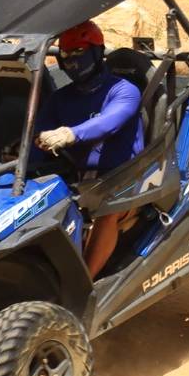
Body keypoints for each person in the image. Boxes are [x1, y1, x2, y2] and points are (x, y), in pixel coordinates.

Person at [34, 21, 143, 278]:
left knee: (108, 210)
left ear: (97, 51)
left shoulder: (124, 91)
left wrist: (70, 133)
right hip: (78, 177)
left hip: (128, 178)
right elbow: (38, 136)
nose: (72, 60)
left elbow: (108, 123)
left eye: (79, 52)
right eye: (66, 54)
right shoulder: (60, 99)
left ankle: (84, 284)